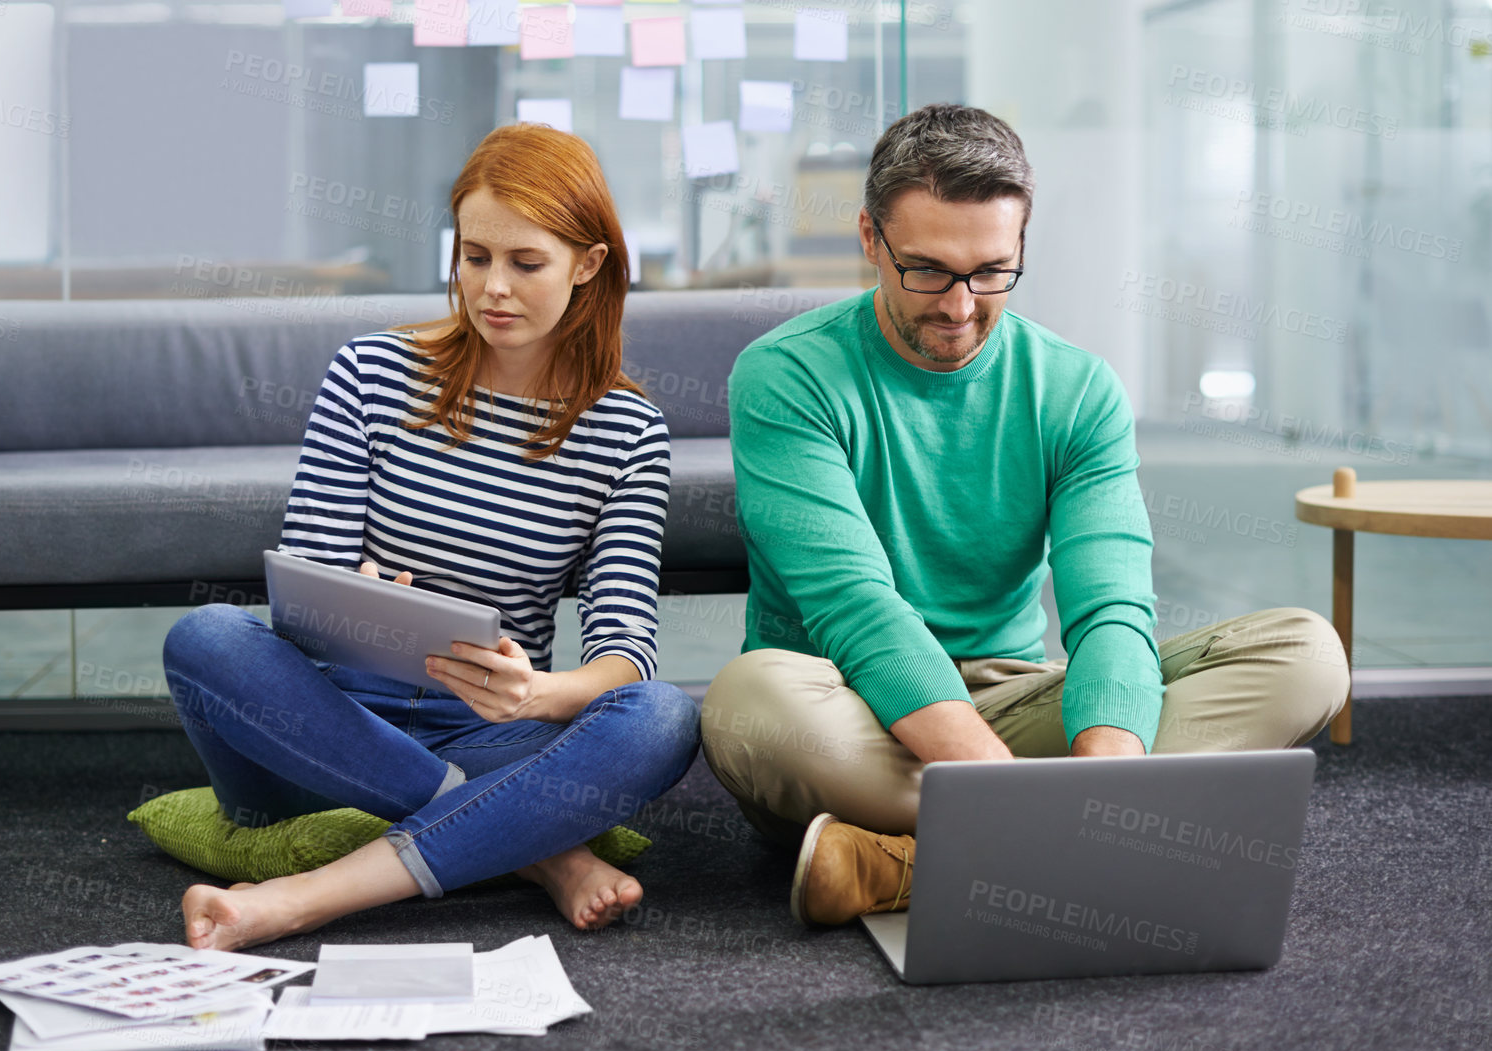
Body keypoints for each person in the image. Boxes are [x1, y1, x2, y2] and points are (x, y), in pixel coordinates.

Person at [701, 103, 1349, 928]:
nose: (961, 306)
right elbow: (850, 606)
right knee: (746, 703)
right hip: (842, 713)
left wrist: (1103, 769)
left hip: (1012, 703)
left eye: (991, 271)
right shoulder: (786, 376)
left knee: (1304, 653)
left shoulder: (1075, 389)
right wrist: (1015, 793)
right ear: (869, 239)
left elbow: (1110, 610)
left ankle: (906, 860)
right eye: (926, 269)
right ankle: (1087, 846)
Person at [162, 123, 700, 952]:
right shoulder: (370, 373)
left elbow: (624, 646)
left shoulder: (627, 430)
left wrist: (535, 695)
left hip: (490, 727)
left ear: (587, 264)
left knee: (660, 718)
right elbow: (305, 583)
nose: (492, 288)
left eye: (526, 263)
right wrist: (362, 605)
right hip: (323, 722)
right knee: (205, 637)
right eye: (474, 256)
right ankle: (539, 850)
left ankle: (299, 899)